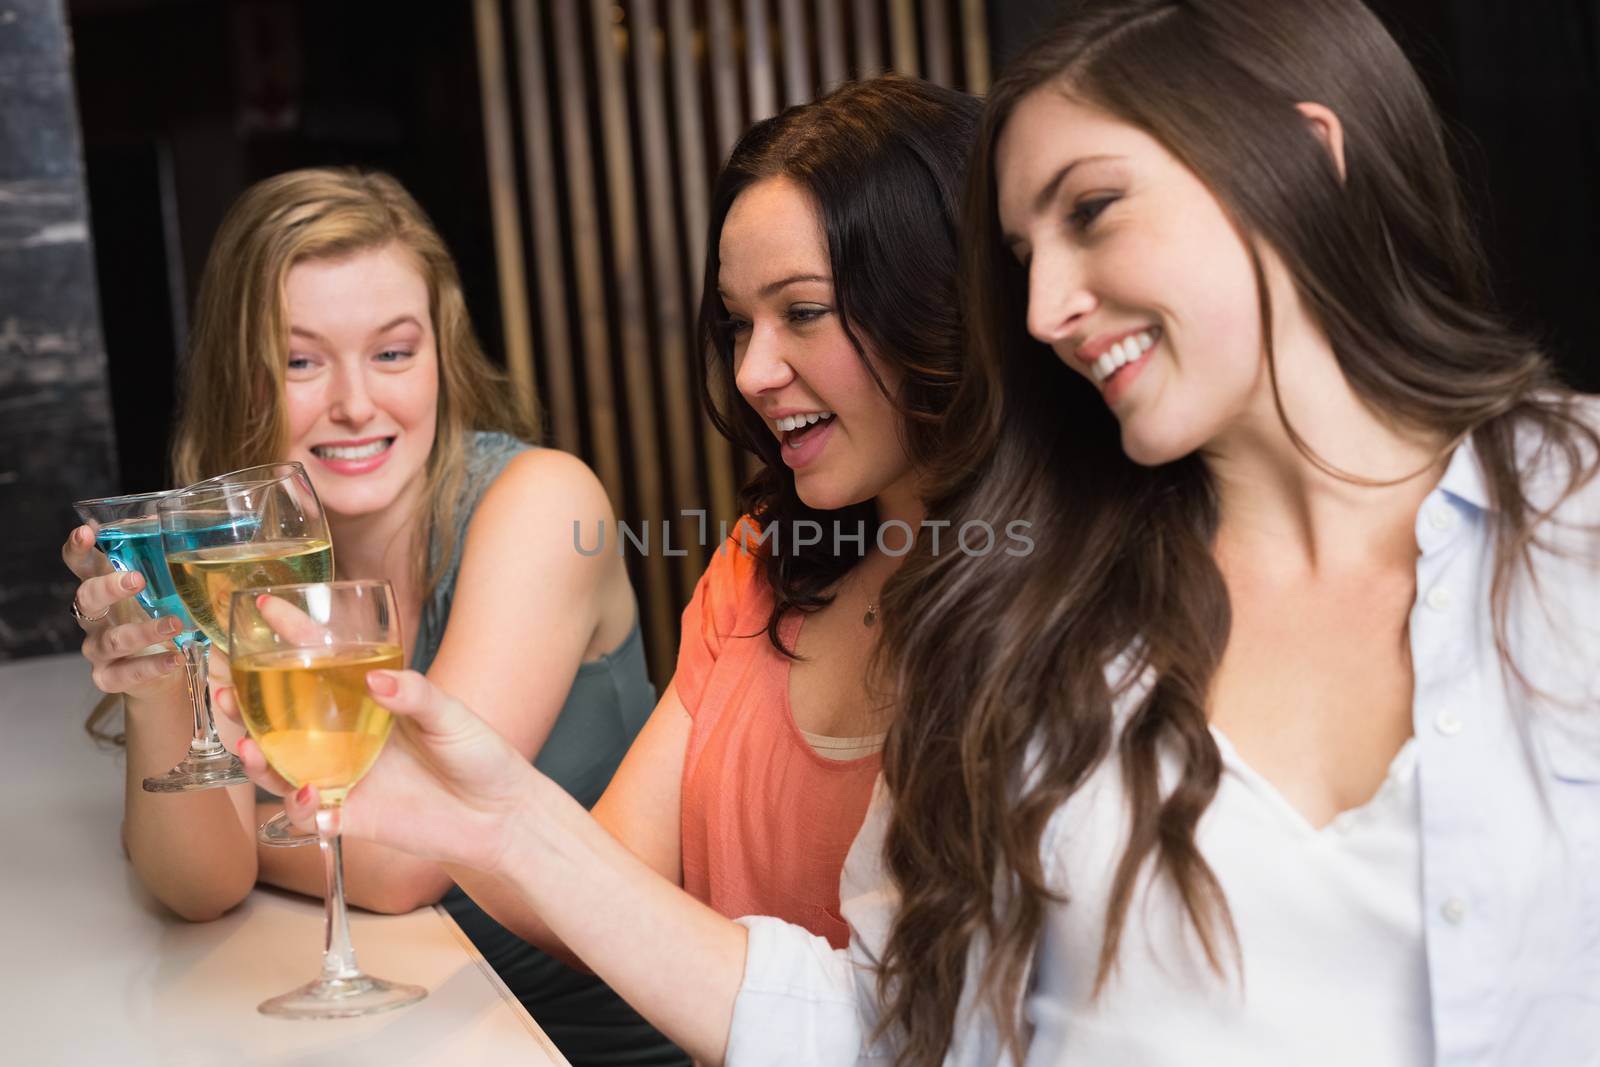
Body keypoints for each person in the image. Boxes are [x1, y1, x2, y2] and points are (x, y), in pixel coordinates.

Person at [245, 3, 1598, 1064]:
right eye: (1019, 257)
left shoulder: (1573, 521)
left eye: (1091, 213)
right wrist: (512, 825)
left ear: (1308, 156)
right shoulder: (1032, 615)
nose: (1051, 302)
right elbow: (895, 1026)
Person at [230, 76, 981, 1063]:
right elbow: (602, 890)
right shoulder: (761, 568)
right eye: (737, 322)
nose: (753, 371)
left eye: (802, 312)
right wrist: (486, 812)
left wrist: (468, 827)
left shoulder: (1064, 614)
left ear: (942, 306)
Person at [60, 168, 682, 1065]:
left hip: (575, 1043)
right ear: (246, 373)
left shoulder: (544, 503)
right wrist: (161, 681)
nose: (356, 403)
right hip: (398, 1037)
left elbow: (401, 864)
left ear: (442, 353)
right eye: (302, 360)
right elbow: (200, 888)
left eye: (393, 352)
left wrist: (243, 822)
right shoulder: (234, 551)